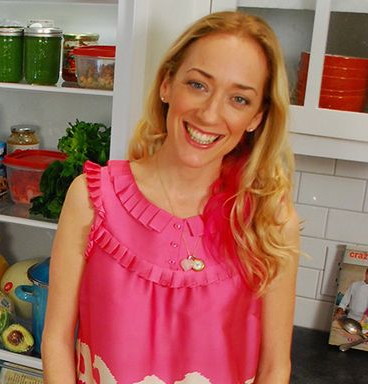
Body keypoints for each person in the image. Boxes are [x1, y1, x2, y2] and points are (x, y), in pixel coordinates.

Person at [42, 11, 300, 384]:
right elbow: (56, 340)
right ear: (167, 84)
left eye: (239, 99)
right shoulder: (91, 199)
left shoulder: (270, 222)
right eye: (198, 85)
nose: (210, 113)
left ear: (257, 117)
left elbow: (275, 368)